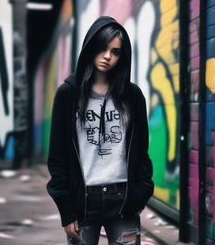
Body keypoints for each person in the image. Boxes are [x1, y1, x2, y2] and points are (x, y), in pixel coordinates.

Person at [46, 16, 154, 245]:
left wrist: (141, 194)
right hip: (83, 203)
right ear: (90, 46)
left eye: (115, 52)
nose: (108, 56)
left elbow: (142, 151)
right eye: (103, 48)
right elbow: (58, 156)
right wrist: (66, 208)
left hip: (123, 200)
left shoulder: (132, 96)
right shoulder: (68, 94)